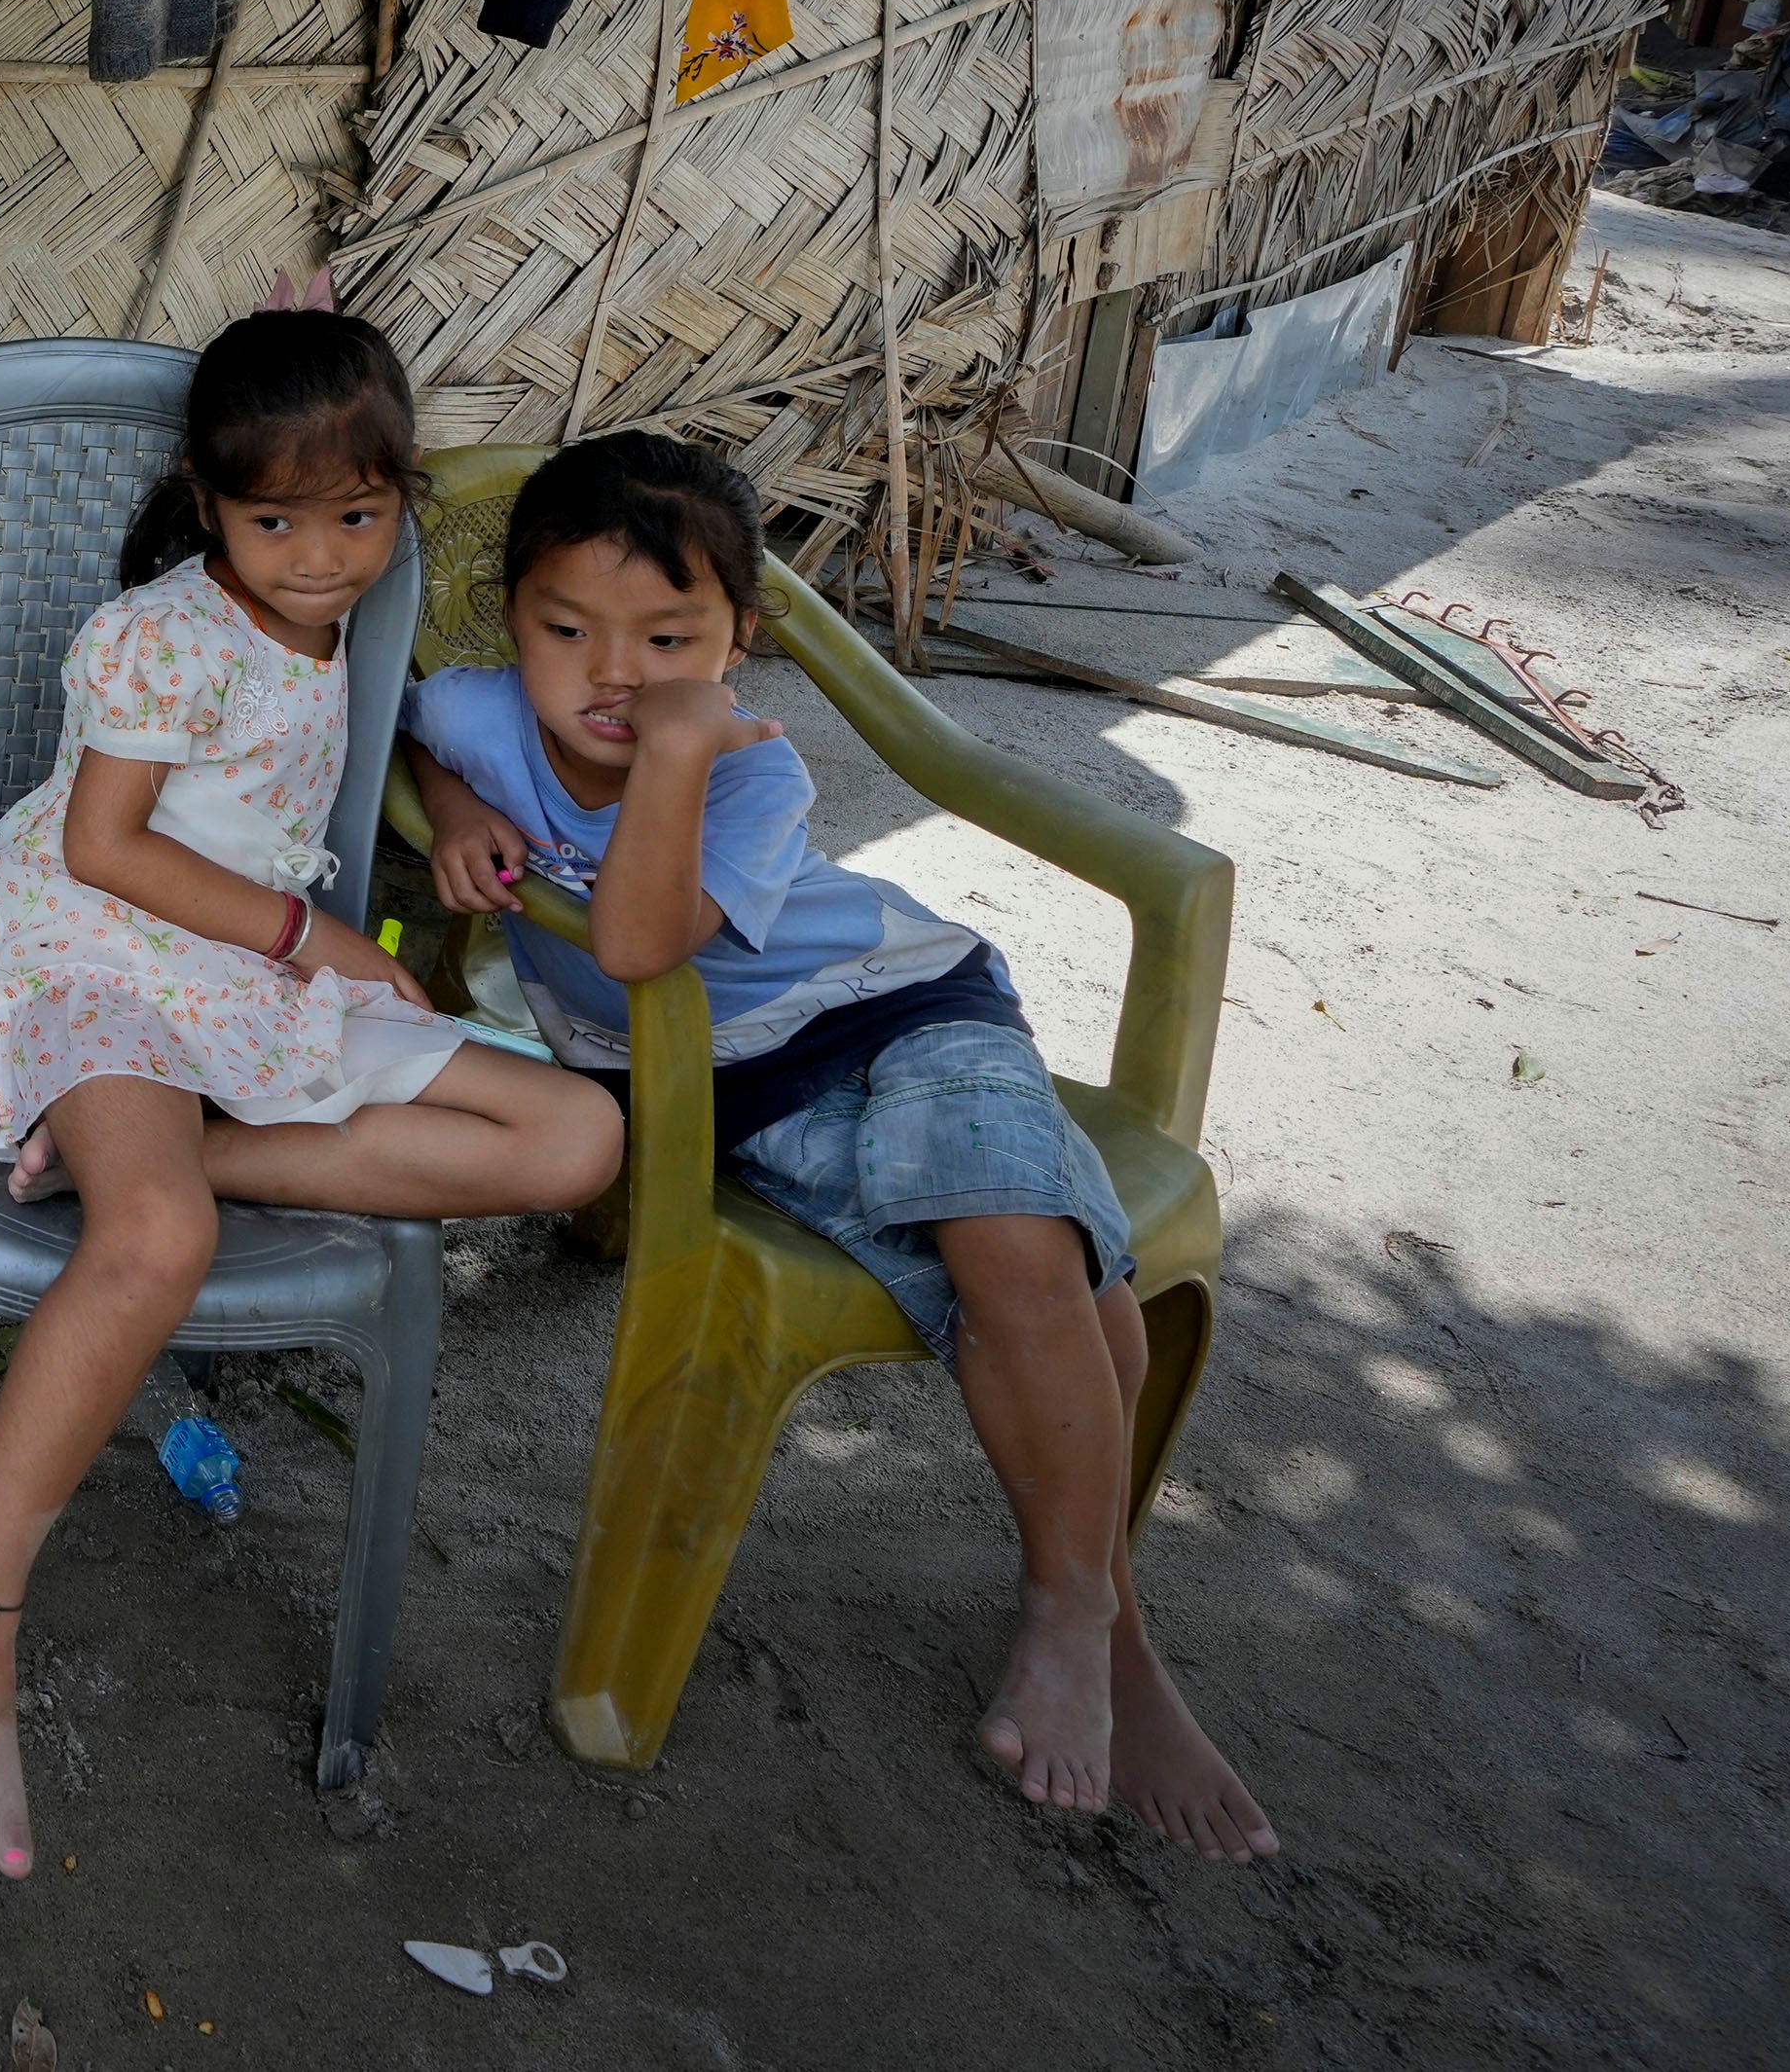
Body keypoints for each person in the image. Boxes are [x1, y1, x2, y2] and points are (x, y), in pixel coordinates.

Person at [397, 431, 1276, 1863]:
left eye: (667, 639)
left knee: (1014, 1246)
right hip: (742, 1095)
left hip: (897, 1006)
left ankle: (1076, 1614)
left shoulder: (748, 776)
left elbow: (634, 942)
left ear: (737, 642)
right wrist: (457, 810)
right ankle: (1113, 1627)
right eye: (567, 631)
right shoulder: (474, 712)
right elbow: (414, 733)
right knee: (1065, 1289)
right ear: (512, 624)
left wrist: (678, 750)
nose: (614, 674)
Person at [0, 309, 625, 1881]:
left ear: (397, 496)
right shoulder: (164, 636)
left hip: (233, 987)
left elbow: (367, 723)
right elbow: (102, 850)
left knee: (577, 1135)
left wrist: (450, 811)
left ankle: (177, 1151)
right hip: (87, 952)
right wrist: (321, 941)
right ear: (208, 503)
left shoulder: (346, 603)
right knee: (153, 1242)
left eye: (356, 516)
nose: (319, 559)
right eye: (273, 523)